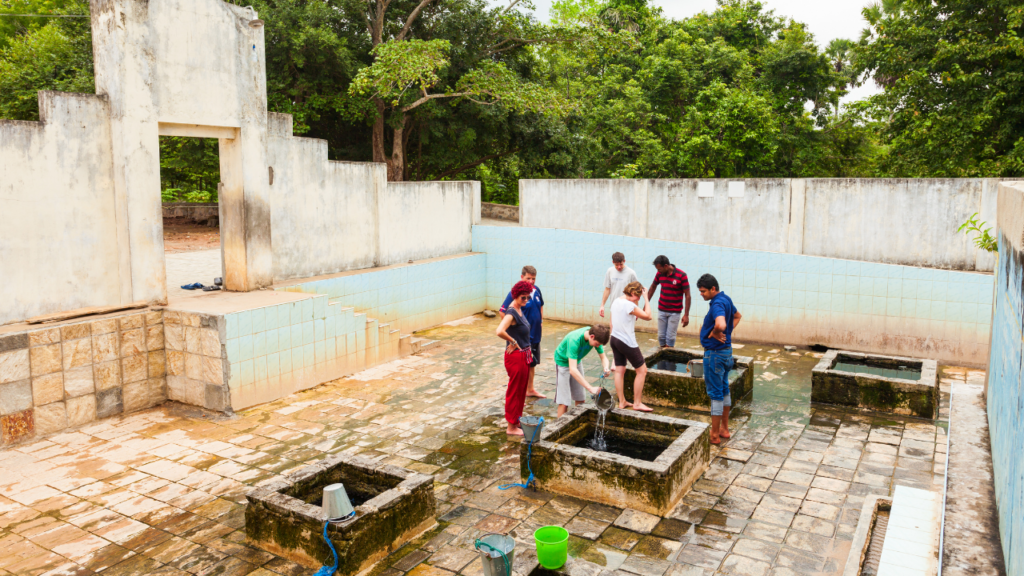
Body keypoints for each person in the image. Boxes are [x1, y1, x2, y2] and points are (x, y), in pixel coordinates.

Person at [697, 274, 742, 445]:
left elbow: (721, 324)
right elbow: (738, 316)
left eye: (703, 291)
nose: (701, 294)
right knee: (724, 390)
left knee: (716, 394)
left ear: (713, 289)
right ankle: (724, 428)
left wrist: (718, 332)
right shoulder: (726, 299)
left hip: (715, 354)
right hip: (726, 353)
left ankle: (714, 434)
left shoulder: (717, 303)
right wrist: (727, 333)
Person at [499, 266, 546, 399]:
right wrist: (514, 331)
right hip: (521, 338)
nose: (531, 281)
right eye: (528, 278)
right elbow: (503, 312)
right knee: (519, 368)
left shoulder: (536, 291)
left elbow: (541, 305)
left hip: (535, 334)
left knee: (532, 363)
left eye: (533, 279)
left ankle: (530, 389)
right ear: (521, 277)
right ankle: (517, 394)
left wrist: (541, 320)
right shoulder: (515, 293)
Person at [496, 281, 535, 436]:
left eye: (527, 298)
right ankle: (511, 427)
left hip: (524, 356)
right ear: (516, 296)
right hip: (516, 358)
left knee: (521, 391)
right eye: (523, 298)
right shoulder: (511, 312)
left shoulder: (519, 309)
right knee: (514, 391)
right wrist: (513, 341)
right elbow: (499, 330)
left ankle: (516, 420)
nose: (526, 300)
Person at [609, 282, 654, 411]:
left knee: (620, 370)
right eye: (638, 296)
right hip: (626, 342)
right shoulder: (629, 305)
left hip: (614, 338)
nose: (639, 299)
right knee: (642, 371)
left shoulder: (617, 301)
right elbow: (648, 316)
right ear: (633, 293)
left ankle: (622, 401)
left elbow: (613, 322)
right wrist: (646, 298)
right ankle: (637, 403)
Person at [553, 325, 611, 417]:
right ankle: (558, 429)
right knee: (564, 402)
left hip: (576, 360)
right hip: (563, 362)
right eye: (597, 344)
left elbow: (603, 357)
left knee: (580, 398)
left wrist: (606, 367)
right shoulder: (574, 340)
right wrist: (590, 388)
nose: (598, 346)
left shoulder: (596, 335)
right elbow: (572, 370)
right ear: (592, 337)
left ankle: (578, 422)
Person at [647, 255, 691, 349]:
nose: (658, 271)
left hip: (675, 312)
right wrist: (646, 303)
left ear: (666, 266)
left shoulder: (681, 275)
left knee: (670, 338)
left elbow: (687, 295)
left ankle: (668, 361)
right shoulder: (659, 274)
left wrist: (686, 314)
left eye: (659, 269)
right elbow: (653, 287)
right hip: (662, 309)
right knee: (661, 337)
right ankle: (662, 360)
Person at [600, 252, 638, 319]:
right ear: (613, 262)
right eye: (616, 265)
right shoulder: (610, 271)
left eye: (621, 264)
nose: (619, 267)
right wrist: (602, 305)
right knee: (613, 328)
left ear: (624, 261)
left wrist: (636, 309)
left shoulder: (631, 273)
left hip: (627, 307)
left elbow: (636, 292)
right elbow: (607, 289)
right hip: (614, 306)